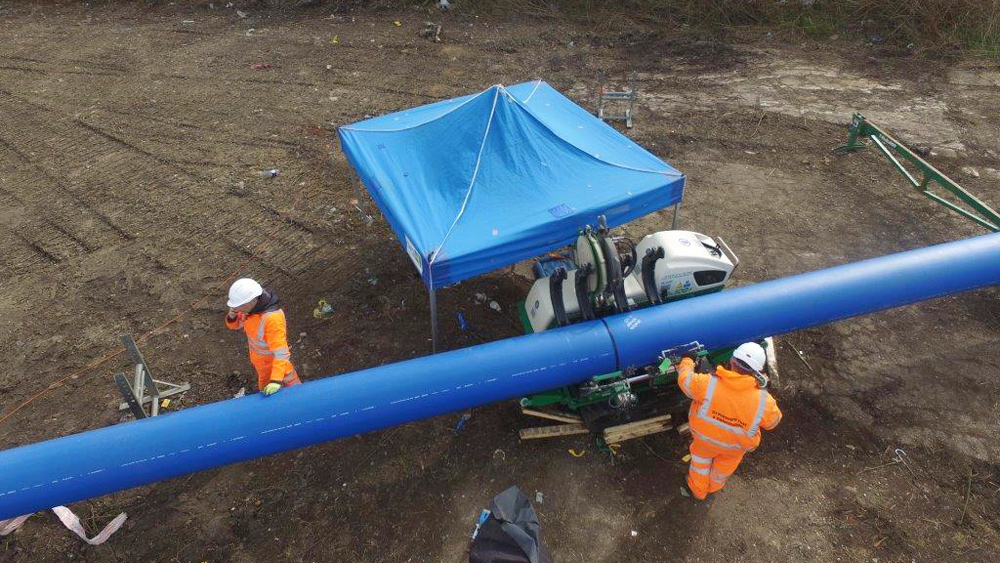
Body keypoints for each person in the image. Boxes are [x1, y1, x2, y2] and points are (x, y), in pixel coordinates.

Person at [676, 342, 782, 500]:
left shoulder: (707, 384)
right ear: (758, 371)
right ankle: (713, 487)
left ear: (732, 360)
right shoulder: (764, 402)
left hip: (704, 440)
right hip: (735, 447)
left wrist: (687, 360)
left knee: (700, 464)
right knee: (722, 470)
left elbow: (685, 381)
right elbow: (773, 422)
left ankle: (698, 492)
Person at [225, 278, 301, 396]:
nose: (237, 309)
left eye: (239, 306)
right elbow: (234, 326)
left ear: (251, 301)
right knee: (266, 393)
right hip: (263, 367)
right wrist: (232, 316)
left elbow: (281, 353)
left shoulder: (272, 319)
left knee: (296, 395)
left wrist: (275, 380)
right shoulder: (249, 310)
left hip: (280, 371)